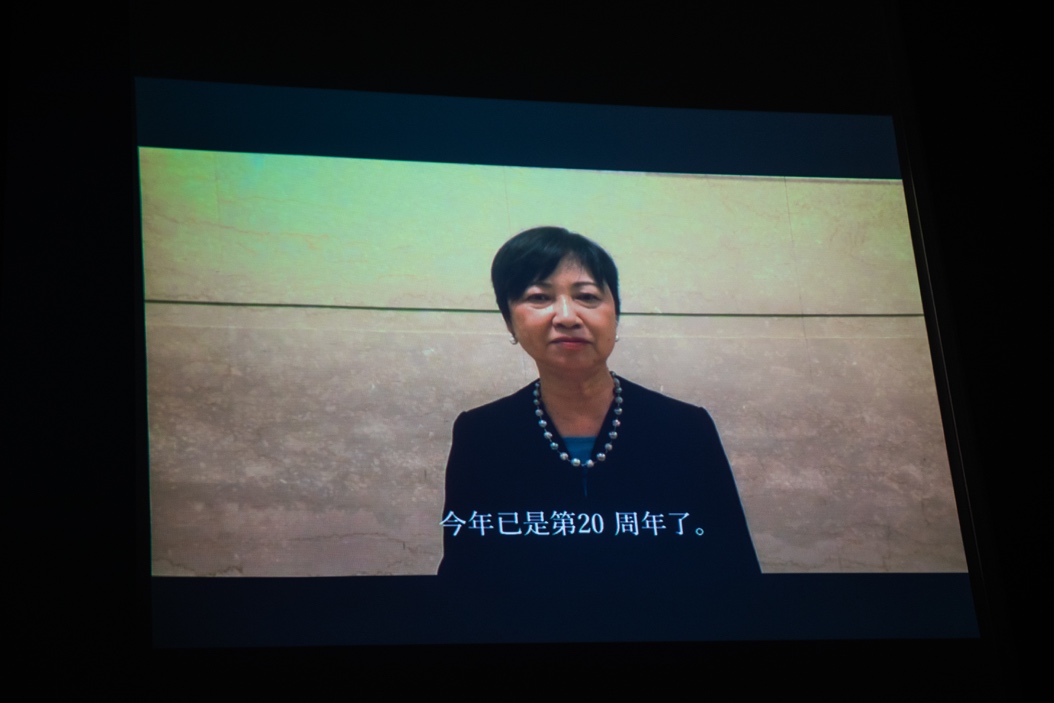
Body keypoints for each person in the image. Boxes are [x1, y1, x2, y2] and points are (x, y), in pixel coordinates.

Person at [438, 227, 758, 607]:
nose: (566, 316)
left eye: (587, 296)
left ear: (615, 314)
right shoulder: (481, 434)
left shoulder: (685, 428)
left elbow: (733, 569)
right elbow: (466, 577)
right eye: (539, 297)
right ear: (509, 322)